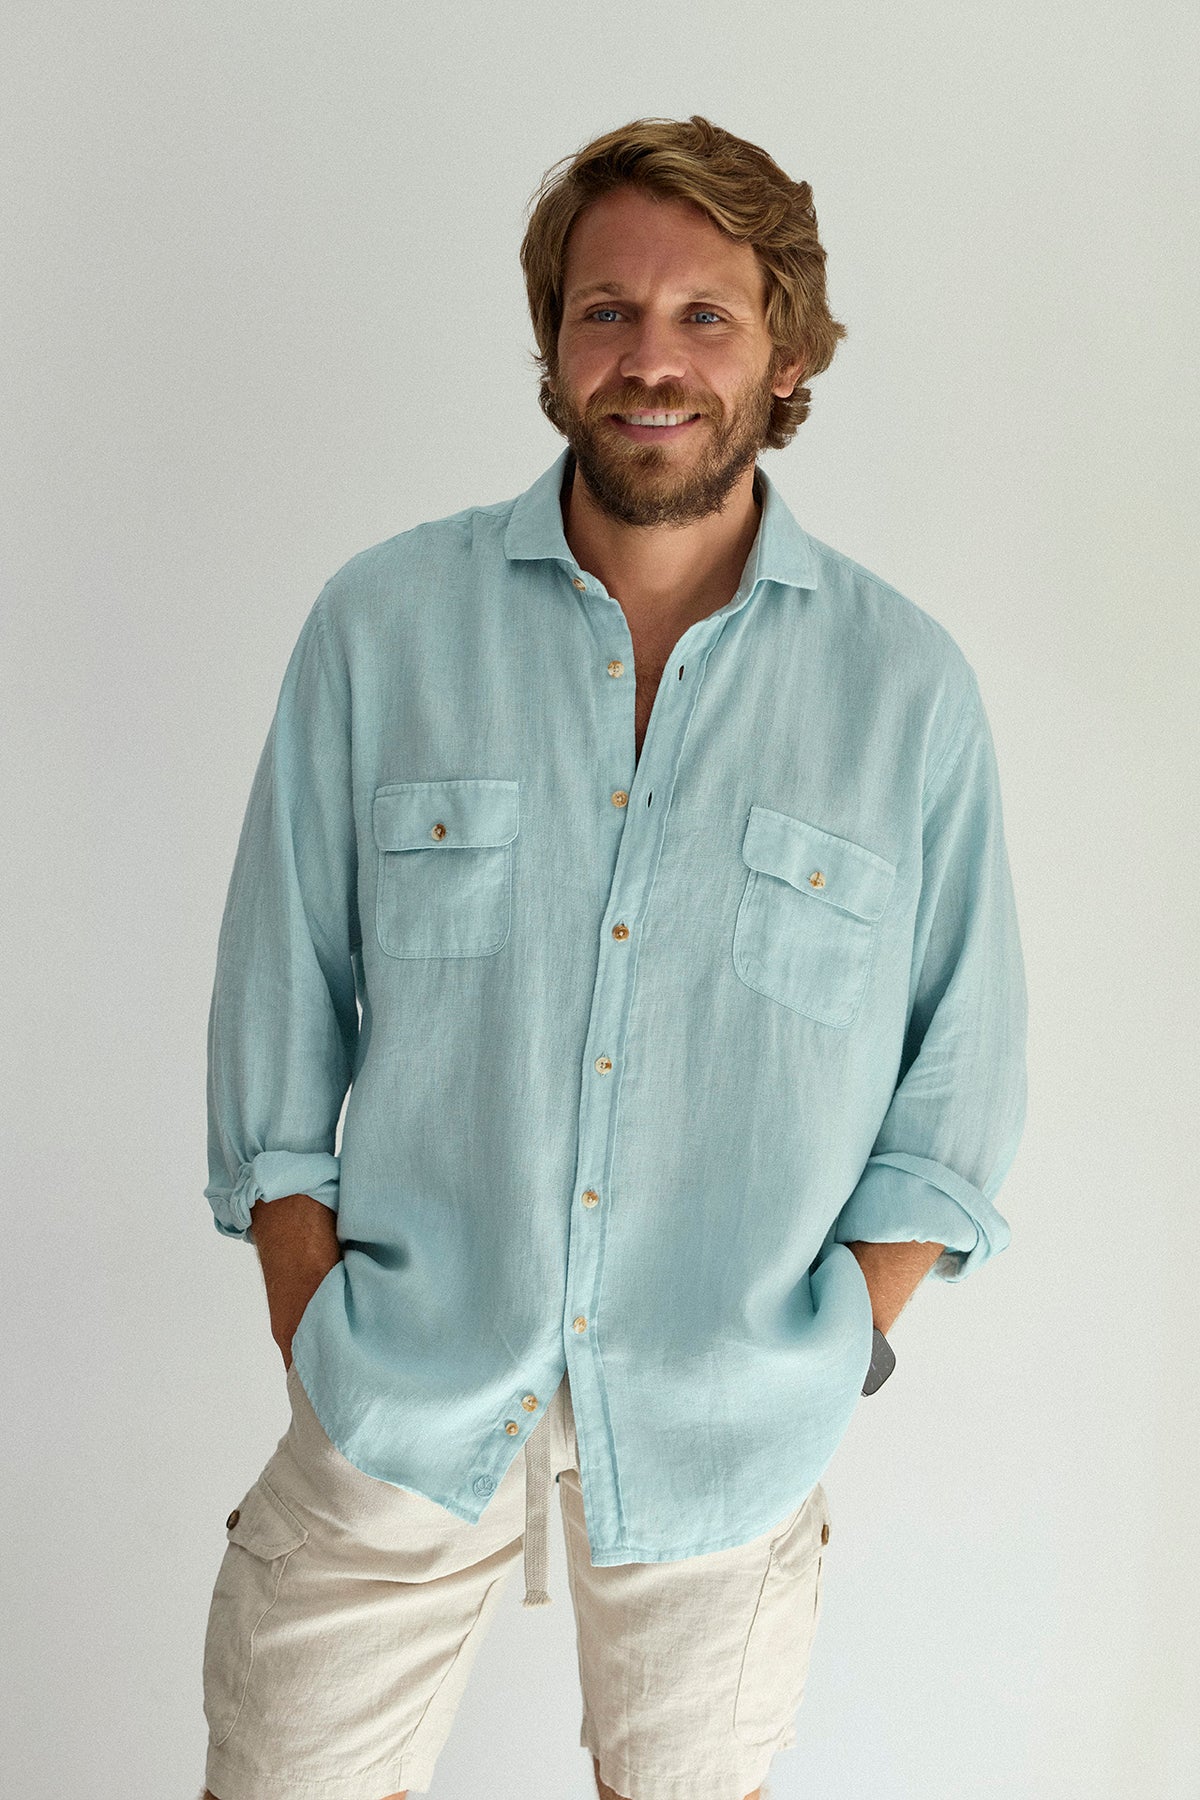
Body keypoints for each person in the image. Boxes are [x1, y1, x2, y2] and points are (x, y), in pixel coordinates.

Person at [198, 113, 1028, 1800]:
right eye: (606, 311)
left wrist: (826, 1353)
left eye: (705, 315)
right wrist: (315, 1319)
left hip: (727, 1443)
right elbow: (278, 996)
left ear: (787, 351)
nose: (651, 359)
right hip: (399, 1402)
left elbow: (961, 1085)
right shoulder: (383, 627)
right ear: (555, 340)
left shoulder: (907, 693)